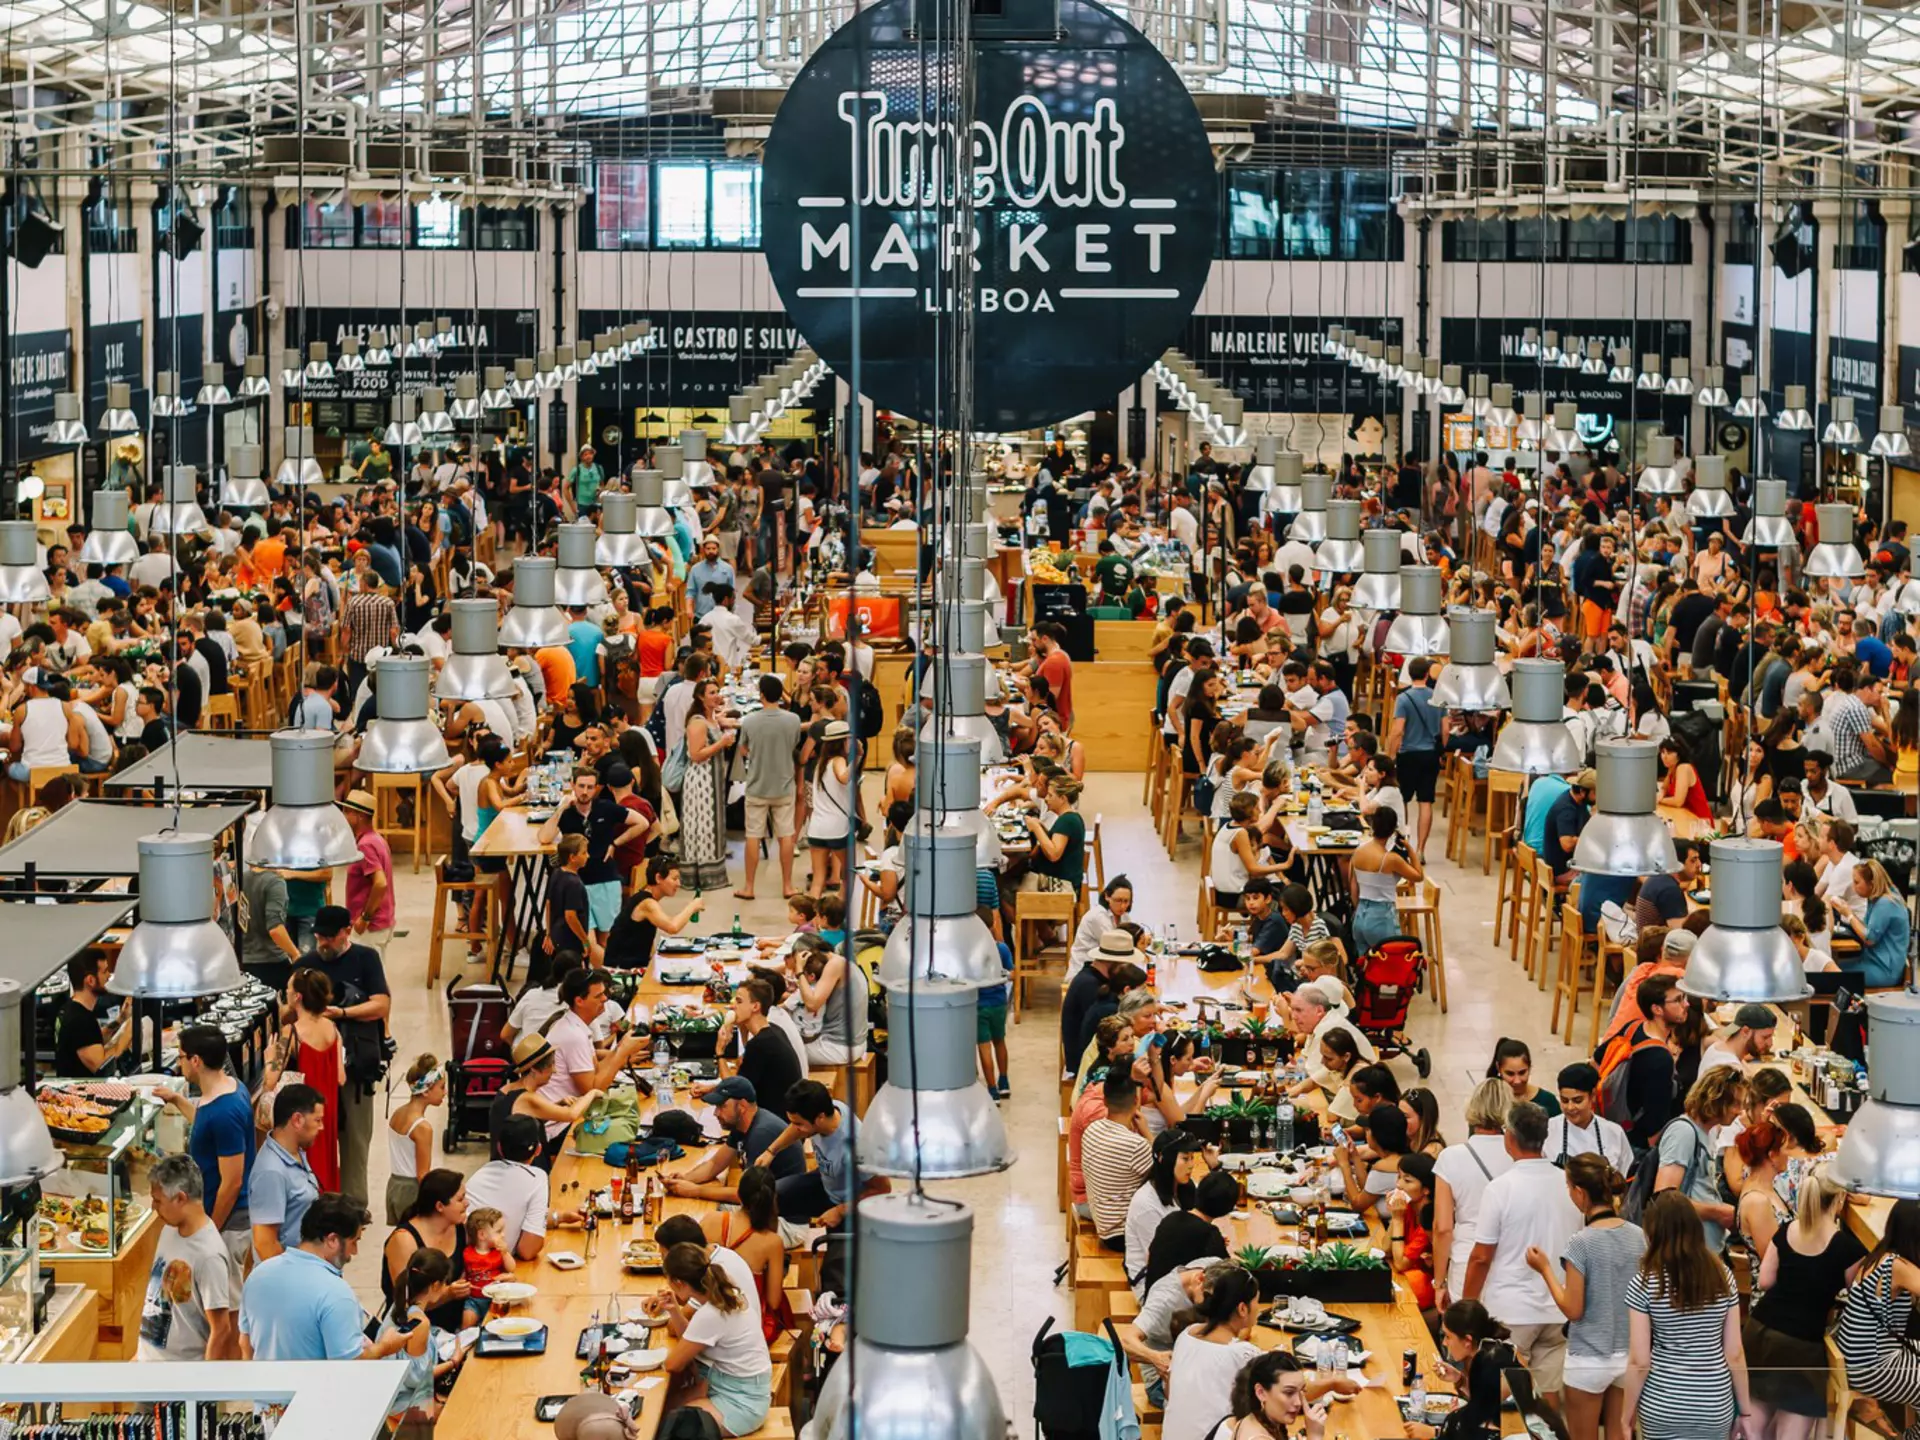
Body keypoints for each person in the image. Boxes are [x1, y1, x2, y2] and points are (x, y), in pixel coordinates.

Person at [1462, 1101, 1582, 1403]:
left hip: (1511, 1309)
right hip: (1558, 1307)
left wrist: (1467, 1305)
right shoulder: (1569, 1185)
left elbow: (1481, 1256)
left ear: (1509, 1137)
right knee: (1547, 1398)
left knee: (1499, 1399)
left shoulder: (1501, 1188)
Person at [1526, 1153, 1644, 1440]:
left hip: (1589, 1357)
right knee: (1620, 1434)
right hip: (1628, 1353)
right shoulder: (1639, 1236)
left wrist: (1545, 1270)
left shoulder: (1581, 1243)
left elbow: (1573, 1309)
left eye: (1568, 1188)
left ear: (1580, 1192)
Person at [1744, 1167, 1867, 1439]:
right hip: (1802, 1347)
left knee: (1752, 1423)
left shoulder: (1787, 1230)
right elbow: (1859, 1298)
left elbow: (1765, 1281)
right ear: (1840, 1200)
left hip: (1759, 1331)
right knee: (1792, 1430)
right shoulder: (1848, 1249)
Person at [1622, 1192, 1752, 1440]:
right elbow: (1734, 1351)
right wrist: (1745, 1412)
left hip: (1662, 1402)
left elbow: (1639, 1360)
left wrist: (1626, 1414)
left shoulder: (1644, 1282)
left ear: (1653, 1233)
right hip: (1713, 1401)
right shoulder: (1722, 1276)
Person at [296, 906, 390, 1209]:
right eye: (318, 936)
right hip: (316, 1072)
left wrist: (343, 1013)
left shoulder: (366, 959)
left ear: (346, 932)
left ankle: (353, 1208)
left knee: (355, 1142)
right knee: (315, 1141)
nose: (322, 943)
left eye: (328, 937)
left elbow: (381, 1004)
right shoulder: (306, 965)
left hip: (357, 1070)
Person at [238, 1193, 408, 1361]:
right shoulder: (336, 1292)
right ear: (332, 1240)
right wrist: (385, 1347)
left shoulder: (257, 1276)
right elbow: (351, 1362)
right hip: (315, 1388)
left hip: (268, 1386)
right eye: (354, 1242)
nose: (354, 1252)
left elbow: (245, 1345)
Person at [642, 1239, 773, 1438]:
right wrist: (675, 1312)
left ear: (679, 1283)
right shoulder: (726, 1294)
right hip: (736, 1387)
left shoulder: (711, 1313)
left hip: (741, 1403)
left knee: (667, 1422)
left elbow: (673, 1364)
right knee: (661, 1407)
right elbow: (692, 1339)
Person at [156, 1026, 254, 1268]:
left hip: (230, 1224)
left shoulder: (225, 1112)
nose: (180, 1064)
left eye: (181, 1057)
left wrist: (209, 1231)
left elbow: (232, 1183)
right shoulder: (229, 1088)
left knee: (227, 1301)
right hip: (222, 1219)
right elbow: (204, 1125)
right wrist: (177, 1099)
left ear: (196, 1060)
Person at [137, 1153, 240, 1362]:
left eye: (158, 1200)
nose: (153, 1207)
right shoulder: (169, 1230)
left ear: (180, 1198)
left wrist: (200, 1388)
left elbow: (221, 1331)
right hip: (148, 1368)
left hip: (179, 1382)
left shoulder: (209, 1255)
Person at [1432, 1078, 1517, 1307]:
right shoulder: (1520, 1155)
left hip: (1466, 1260)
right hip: (1510, 1262)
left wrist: (1439, 1282)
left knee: (1463, 1335)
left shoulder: (1451, 1157)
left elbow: (1443, 1228)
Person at [763, 1079, 887, 1227]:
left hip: (851, 1203)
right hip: (827, 1181)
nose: (795, 1128)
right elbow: (795, 1128)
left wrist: (840, 1211)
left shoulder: (858, 1147)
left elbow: (882, 1189)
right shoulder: (830, 1108)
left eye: (799, 1123)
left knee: (836, 1246)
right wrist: (771, 1151)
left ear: (820, 1118)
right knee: (770, 1195)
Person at [1161, 1265, 1264, 1440]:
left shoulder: (1187, 1334)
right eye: (1256, 1301)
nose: (1259, 1307)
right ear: (1242, 1309)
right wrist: (1328, 1383)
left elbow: (1169, 1392)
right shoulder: (1241, 1353)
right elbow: (1288, 1391)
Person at [665, 1077, 807, 1203]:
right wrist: (684, 1179)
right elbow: (714, 1165)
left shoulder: (761, 1133)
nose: (716, 1113)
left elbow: (745, 1195)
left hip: (784, 1221)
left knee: (707, 1220)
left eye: (722, 1106)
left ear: (742, 1106)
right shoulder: (742, 1125)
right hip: (764, 1211)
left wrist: (695, 1191)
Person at [1653, 1067, 1745, 1253]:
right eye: (1735, 1103)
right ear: (1715, 1099)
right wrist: (1718, 1213)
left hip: (1703, 1252)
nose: (1739, 1111)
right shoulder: (1683, 1133)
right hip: (1685, 1255)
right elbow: (1664, 1200)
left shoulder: (1708, 1132)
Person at [269, 968, 345, 1192]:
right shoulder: (332, 1028)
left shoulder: (290, 1033)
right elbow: (341, 1077)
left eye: (289, 989)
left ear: (298, 997)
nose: (287, 992)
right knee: (327, 1168)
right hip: (326, 1113)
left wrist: (269, 1057)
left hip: (301, 1116)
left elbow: (270, 1080)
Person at [464, 1115, 580, 1260]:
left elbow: (512, 1214)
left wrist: (560, 1217)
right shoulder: (537, 1178)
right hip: (491, 1271)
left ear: (499, 1147)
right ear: (538, 1150)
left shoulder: (481, 1173)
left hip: (464, 1265)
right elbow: (527, 1250)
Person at [697, 1167, 790, 1343]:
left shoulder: (711, 1220)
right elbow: (774, 1301)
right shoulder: (772, 1242)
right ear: (771, 1200)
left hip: (706, 1317)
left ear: (738, 1195)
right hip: (745, 1328)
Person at [381, 1167, 472, 1335]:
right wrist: (448, 1294)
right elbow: (405, 1301)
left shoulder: (460, 1229)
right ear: (439, 1206)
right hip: (416, 1334)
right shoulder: (404, 1240)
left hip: (456, 1329)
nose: (467, 1203)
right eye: (461, 1199)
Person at [737, 673, 804, 900]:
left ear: (761, 695)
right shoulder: (793, 719)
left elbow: (743, 749)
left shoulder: (750, 721)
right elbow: (794, 743)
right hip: (784, 785)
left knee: (753, 836)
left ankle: (749, 886)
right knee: (786, 835)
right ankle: (787, 885)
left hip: (757, 786)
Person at [247, 1083, 325, 1263]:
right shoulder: (271, 1172)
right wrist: (290, 1281)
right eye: (317, 1120)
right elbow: (265, 1242)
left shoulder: (295, 1152)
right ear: (297, 1120)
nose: (321, 1128)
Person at [1124, 1129, 1207, 1297]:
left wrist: (1214, 1166)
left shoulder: (1184, 1188)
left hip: (1182, 1272)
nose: (1191, 1165)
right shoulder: (1146, 1204)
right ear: (1163, 1159)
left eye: (1192, 1158)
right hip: (1152, 1287)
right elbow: (1159, 1260)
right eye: (1185, 1158)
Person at [607, 856, 705, 971]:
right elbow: (672, 927)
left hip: (633, 964)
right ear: (658, 878)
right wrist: (692, 906)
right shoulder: (647, 904)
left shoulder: (646, 898)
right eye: (674, 879)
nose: (678, 884)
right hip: (622, 972)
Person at [1348, 806, 1422, 952]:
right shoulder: (1391, 859)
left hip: (1360, 915)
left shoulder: (1357, 852)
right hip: (1381, 917)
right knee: (1391, 965)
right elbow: (1418, 876)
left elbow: (1353, 888)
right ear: (1393, 830)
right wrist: (1410, 850)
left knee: (1366, 968)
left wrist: (1358, 908)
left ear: (1373, 825)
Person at [1831, 858, 1912, 988]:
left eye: (1857, 882)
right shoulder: (1876, 898)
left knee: (1831, 974)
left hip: (1884, 970)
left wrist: (1849, 914)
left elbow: (1869, 939)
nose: (1853, 886)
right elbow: (1867, 928)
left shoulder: (1885, 903)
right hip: (1873, 962)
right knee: (1832, 966)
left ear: (1871, 883)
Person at [386, 1054, 446, 1225]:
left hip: (394, 1186)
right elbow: (422, 1175)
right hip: (412, 1191)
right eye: (442, 1087)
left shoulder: (397, 1114)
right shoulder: (422, 1127)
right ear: (426, 1090)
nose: (445, 1092)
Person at [1543, 1063, 1634, 1173]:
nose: (1570, 1107)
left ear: (1593, 1095)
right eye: (1565, 1101)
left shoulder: (1614, 1132)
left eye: (1578, 1100)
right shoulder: (1548, 1130)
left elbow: (1626, 1174)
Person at [53, 951, 133, 1076]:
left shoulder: (70, 1008)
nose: (108, 976)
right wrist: (127, 1035)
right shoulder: (80, 1020)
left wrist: (120, 1020)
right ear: (90, 980)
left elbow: (92, 1039)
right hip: (81, 1093)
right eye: (104, 972)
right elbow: (101, 1066)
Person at [1217, 1352, 1328, 1440]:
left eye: (1301, 1391)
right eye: (1289, 1392)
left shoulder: (1251, 1418)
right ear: (1261, 1392)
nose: (1298, 1402)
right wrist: (1314, 1436)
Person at [339, 791, 395, 953]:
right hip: (381, 921)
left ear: (360, 816)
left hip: (370, 926)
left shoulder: (365, 845)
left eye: (348, 812)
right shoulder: (377, 839)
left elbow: (380, 883)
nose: (344, 816)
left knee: (367, 976)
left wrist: (365, 918)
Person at [1486, 1037, 1561, 1117]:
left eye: (1522, 1073)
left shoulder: (1547, 1102)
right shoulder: (1488, 1101)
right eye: (1510, 1074)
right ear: (1498, 1068)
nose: (1517, 1081)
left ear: (1529, 1067)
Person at [1699, 1003, 1777, 1074]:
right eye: (1765, 1037)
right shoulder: (1731, 1070)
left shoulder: (1718, 1046)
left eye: (1771, 1036)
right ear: (1745, 1031)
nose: (1770, 1043)